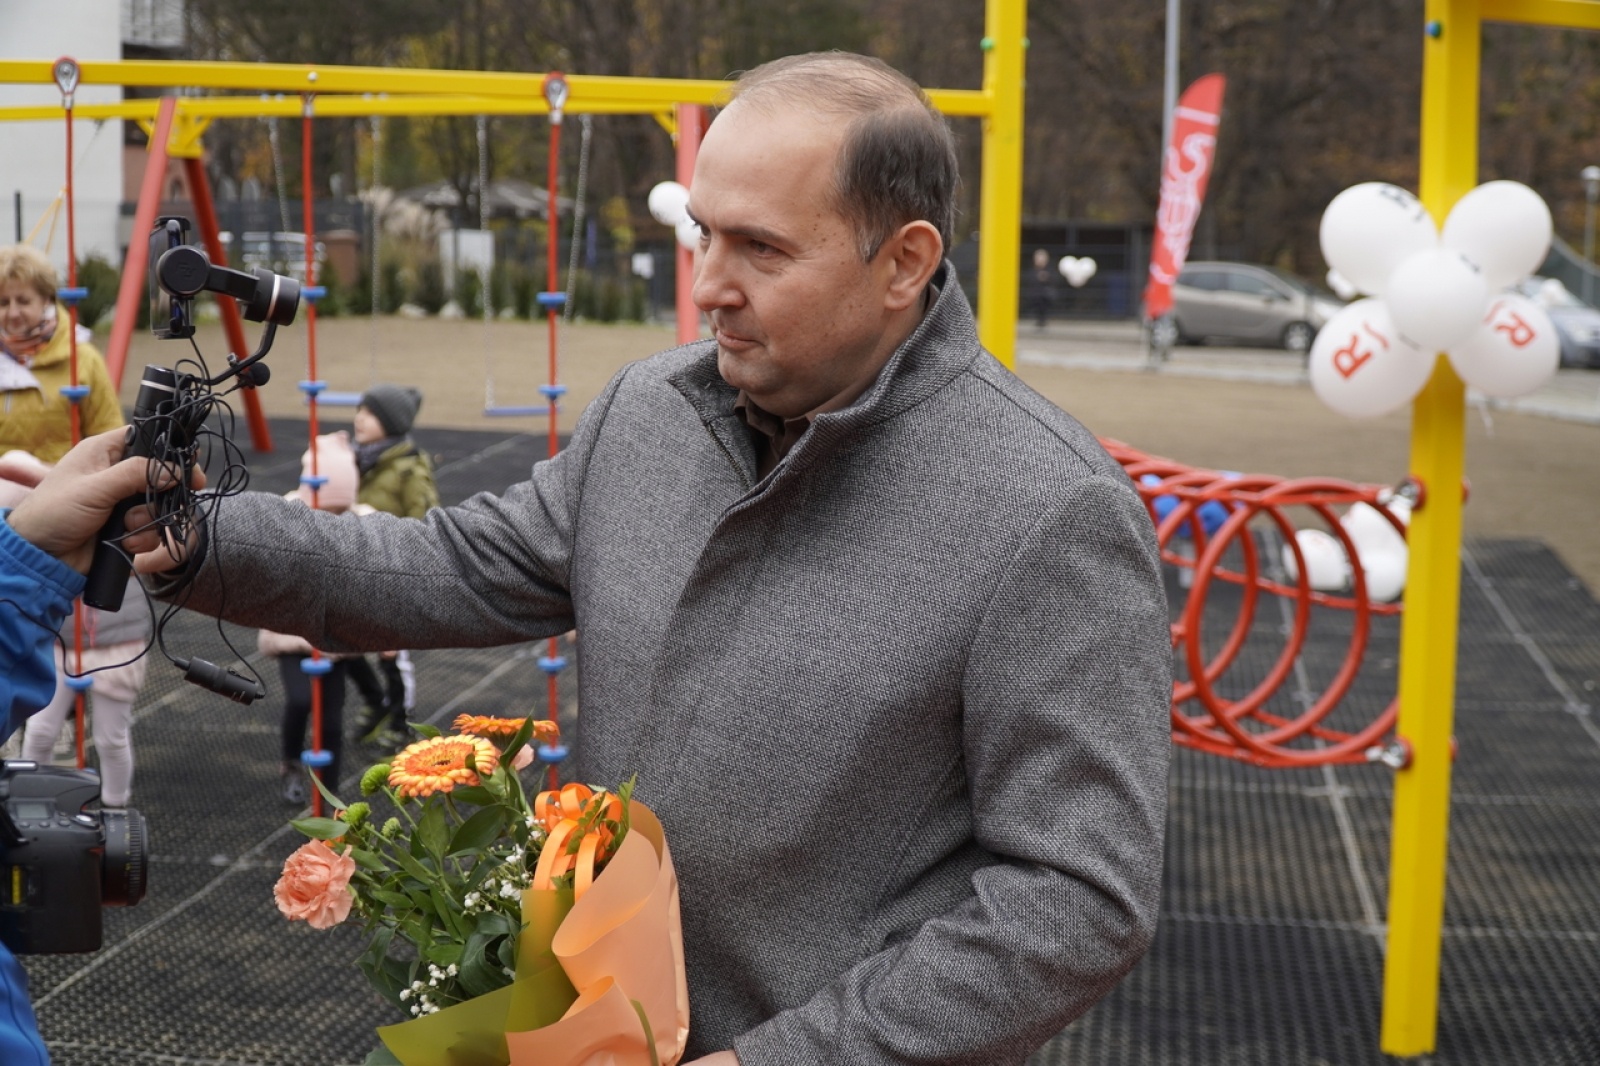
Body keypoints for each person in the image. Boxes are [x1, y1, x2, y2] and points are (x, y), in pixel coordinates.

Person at [132, 52, 1171, 1065]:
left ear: (902, 260)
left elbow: (1073, 898)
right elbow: (446, 565)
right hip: (590, 1029)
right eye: (703, 235)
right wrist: (192, 530)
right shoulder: (652, 413)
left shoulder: (1049, 512)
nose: (708, 285)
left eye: (760, 250)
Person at [1, 429, 195, 1066]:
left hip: (106, 651)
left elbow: (129, 600)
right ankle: (78, 806)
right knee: (46, 732)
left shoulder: (109, 550)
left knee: (109, 734)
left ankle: (106, 802)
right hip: (64, 645)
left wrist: (28, 557)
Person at [262, 432, 367, 804]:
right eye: (327, 511)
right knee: (301, 700)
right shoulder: (286, 522)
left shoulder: (359, 526)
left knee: (332, 721)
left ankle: (331, 794)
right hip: (292, 634)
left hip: (331, 638)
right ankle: (290, 762)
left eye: (340, 512)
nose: (332, 520)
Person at [344, 384, 438, 747]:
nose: (359, 419)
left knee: (392, 653)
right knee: (341, 643)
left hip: (392, 572)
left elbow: (424, 521)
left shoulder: (407, 469)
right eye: (359, 411)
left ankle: (401, 721)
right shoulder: (356, 460)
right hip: (355, 567)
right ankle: (375, 700)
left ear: (390, 422)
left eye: (370, 414)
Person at [0, 244, 124, 462]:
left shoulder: (82, 359)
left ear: (46, 300)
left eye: (23, 301)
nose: (13, 313)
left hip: (64, 489)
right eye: (3, 303)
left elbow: (110, 438)